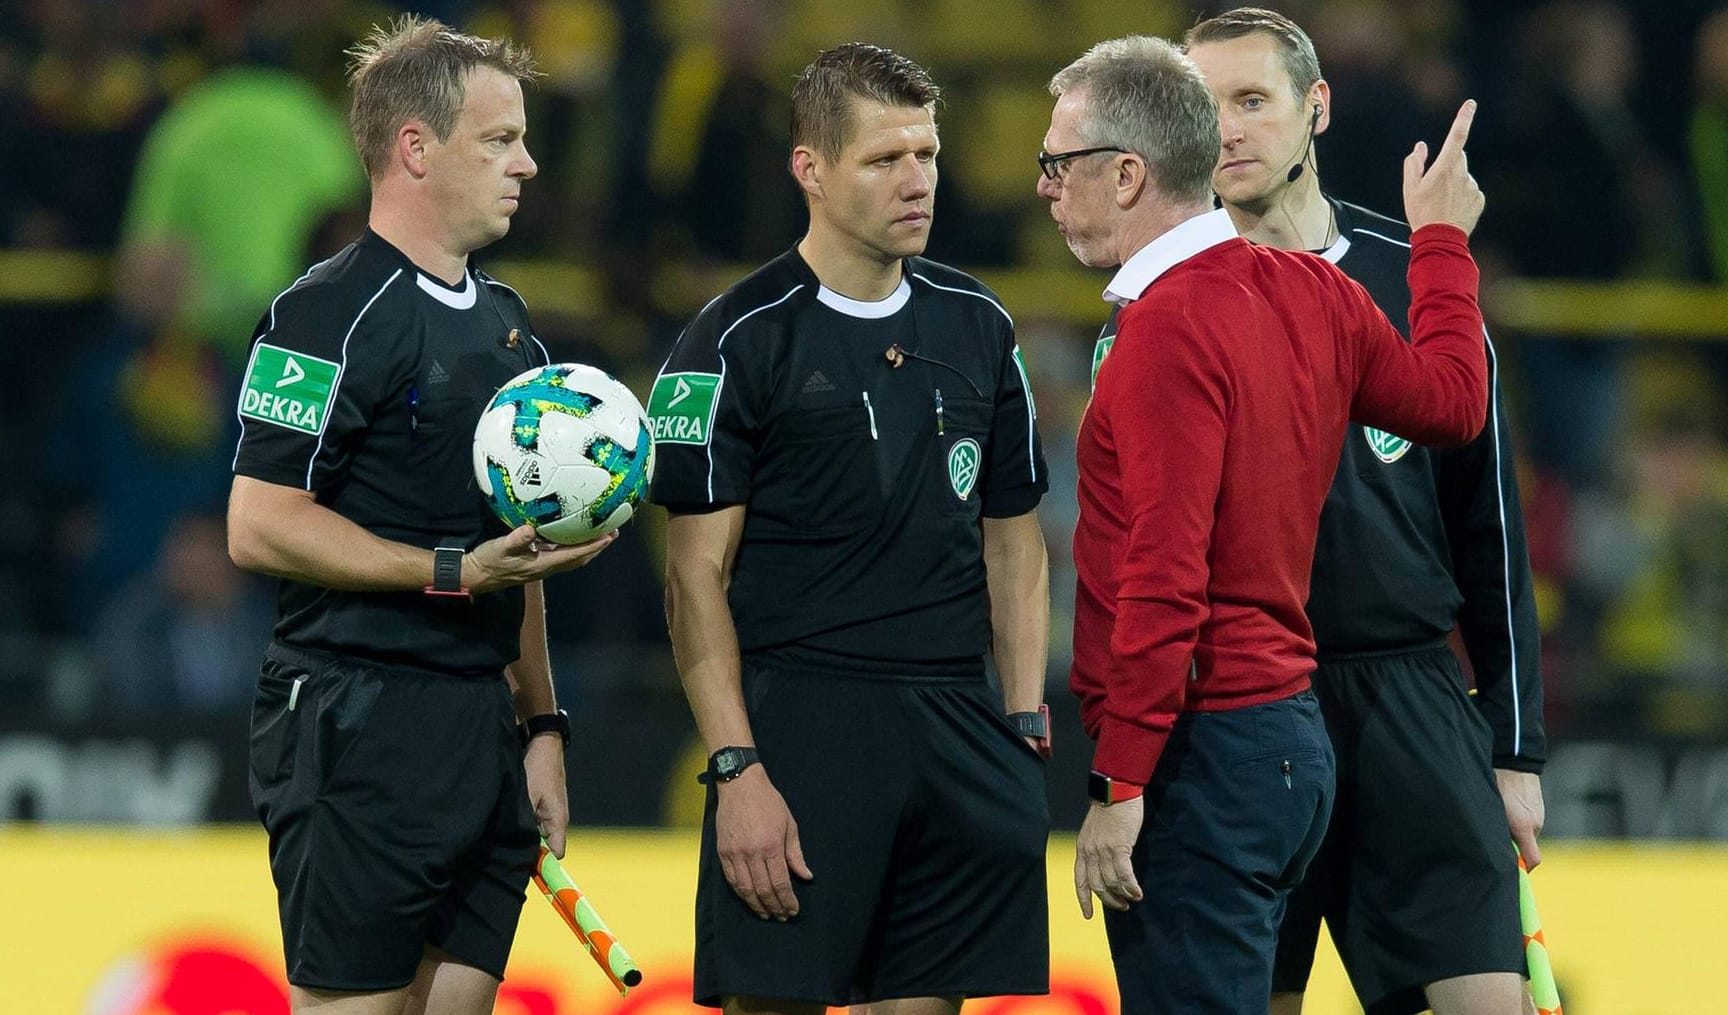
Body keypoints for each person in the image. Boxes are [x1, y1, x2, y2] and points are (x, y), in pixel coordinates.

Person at [1040, 36, 1490, 1014]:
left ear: (1126, 173)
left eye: (1056, 165)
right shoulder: (1319, 290)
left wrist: (1118, 783)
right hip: (1290, 749)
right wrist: (1441, 251)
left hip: (1198, 748)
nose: (1043, 188)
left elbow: (1165, 570)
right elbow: (1455, 401)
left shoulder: (1161, 324)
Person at [651, 42, 1052, 1015]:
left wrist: (1024, 716)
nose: (917, 181)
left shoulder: (980, 324)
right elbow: (693, 577)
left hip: (956, 718)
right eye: (885, 159)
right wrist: (737, 764)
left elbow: (1015, 538)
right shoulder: (730, 338)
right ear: (811, 170)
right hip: (801, 724)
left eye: (927, 154)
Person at [225, 17, 614, 1014]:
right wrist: (451, 571)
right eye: (498, 140)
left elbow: (512, 554)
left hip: (482, 731)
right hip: (358, 715)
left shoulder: (513, 327)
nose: (528, 163)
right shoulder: (323, 313)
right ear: (414, 148)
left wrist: (543, 726)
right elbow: (259, 522)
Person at [1182, 10, 1548, 1015]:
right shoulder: (1168, 299)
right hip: (1246, 708)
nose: (1226, 130)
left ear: (1316, 107)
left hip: (1411, 699)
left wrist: (1514, 749)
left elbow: (1491, 530)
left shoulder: (1417, 274)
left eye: (1250, 101)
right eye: (1201, 108)